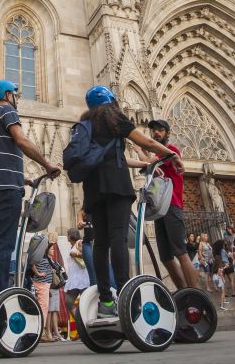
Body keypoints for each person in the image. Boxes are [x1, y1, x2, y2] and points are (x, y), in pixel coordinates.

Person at [77, 85, 181, 317]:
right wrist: (171, 155)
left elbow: (116, 157)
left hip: (93, 189)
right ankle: (125, 294)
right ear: (110, 101)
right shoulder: (114, 118)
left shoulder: (86, 124)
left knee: (101, 244)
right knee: (118, 238)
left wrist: (145, 165)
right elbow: (148, 143)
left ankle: (106, 301)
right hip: (116, 186)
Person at [0, 80, 62, 327]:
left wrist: (24, 177)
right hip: (4, 189)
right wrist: (47, 164)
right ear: (7, 95)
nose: (17, 99)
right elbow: (21, 141)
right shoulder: (6, 111)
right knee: (3, 245)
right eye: (15, 94)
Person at [133, 119, 197, 289]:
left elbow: (149, 163)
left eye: (161, 130)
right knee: (166, 258)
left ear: (168, 133)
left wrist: (140, 149)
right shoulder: (160, 154)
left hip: (172, 205)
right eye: (154, 130)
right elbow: (150, 166)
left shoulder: (171, 151)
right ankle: (184, 294)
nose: (156, 133)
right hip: (160, 209)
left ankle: (197, 296)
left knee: (181, 252)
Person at [30, 237, 55, 342]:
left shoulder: (42, 255)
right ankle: (40, 332)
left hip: (45, 284)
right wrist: (38, 273)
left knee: (43, 307)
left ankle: (41, 332)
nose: (52, 250)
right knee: (43, 307)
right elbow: (31, 263)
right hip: (42, 283)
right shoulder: (39, 255)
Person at [63, 228, 90, 316]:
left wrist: (75, 254)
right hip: (75, 279)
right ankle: (80, 321)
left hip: (82, 278)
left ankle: (84, 322)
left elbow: (87, 255)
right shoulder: (73, 245)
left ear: (70, 236)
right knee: (68, 301)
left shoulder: (79, 242)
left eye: (68, 234)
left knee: (83, 303)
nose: (67, 236)